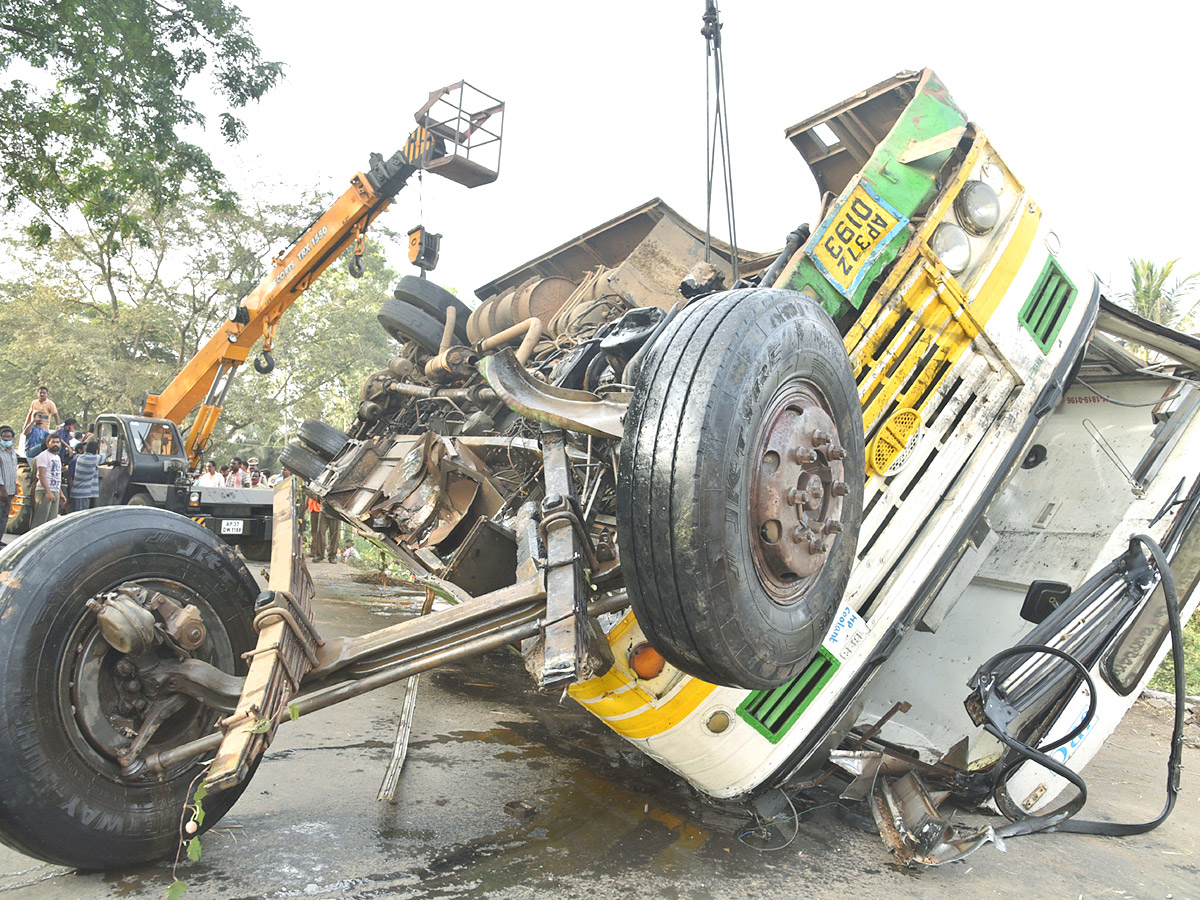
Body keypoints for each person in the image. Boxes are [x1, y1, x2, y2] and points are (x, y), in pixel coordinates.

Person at [32, 433, 64, 528]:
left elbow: (56, 476)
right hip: (44, 491)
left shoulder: (57, 457)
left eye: (57, 442)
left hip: (55, 490)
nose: (56, 444)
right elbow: (42, 475)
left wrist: (60, 493)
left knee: (51, 523)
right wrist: (48, 492)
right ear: (47, 444)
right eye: (53, 442)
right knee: (40, 522)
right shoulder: (43, 456)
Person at [67, 440, 107, 513]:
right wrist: (105, 442)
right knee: (80, 517)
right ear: (96, 450)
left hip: (76, 493)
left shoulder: (81, 458)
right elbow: (109, 453)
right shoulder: (92, 459)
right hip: (82, 495)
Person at [0, 425, 18, 537]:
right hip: (2, 490)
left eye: (9, 437)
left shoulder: (13, 452)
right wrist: (2, 489)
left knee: (4, 516)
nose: (6, 439)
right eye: (4, 437)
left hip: (10, 490)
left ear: (13, 439)